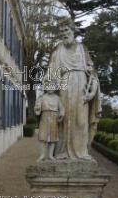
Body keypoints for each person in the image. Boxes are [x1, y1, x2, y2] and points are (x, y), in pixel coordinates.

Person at [46, 21, 101, 161]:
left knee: (81, 120)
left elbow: (92, 72)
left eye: (66, 31)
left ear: (73, 31)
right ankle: (62, 152)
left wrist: (92, 91)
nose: (64, 34)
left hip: (81, 87)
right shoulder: (58, 50)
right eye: (62, 32)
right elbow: (51, 72)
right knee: (64, 118)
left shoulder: (83, 49)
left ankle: (81, 152)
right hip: (64, 87)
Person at [34, 82, 64, 161]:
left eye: (52, 86)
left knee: (53, 137)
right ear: (46, 88)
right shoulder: (42, 97)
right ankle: (42, 155)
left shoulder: (57, 98)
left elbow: (61, 108)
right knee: (43, 137)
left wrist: (61, 114)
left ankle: (50, 155)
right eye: (48, 86)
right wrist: (37, 107)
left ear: (55, 88)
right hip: (45, 117)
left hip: (54, 118)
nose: (50, 88)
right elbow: (37, 108)